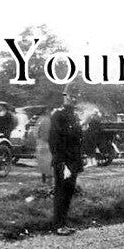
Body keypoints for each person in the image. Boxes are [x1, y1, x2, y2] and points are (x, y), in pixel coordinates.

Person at [48, 92, 84, 235]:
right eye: (70, 97)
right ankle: (58, 225)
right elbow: (55, 140)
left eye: (74, 97)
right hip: (63, 160)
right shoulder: (58, 115)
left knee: (68, 192)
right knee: (61, 192)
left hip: (73, 159)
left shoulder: (74, 116)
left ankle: (63, 223)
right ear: (65, 98)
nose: (72, 100)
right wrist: (61, 160)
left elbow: (78, 137)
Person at [34, 111, 53, 184]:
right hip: (49, 143)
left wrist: (38, 140)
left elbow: (35, 132)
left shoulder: (40, 120)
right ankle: (49, 178)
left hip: (41, 142)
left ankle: (44, 179)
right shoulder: (52, 120)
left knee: (42, 161)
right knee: (49, 161)